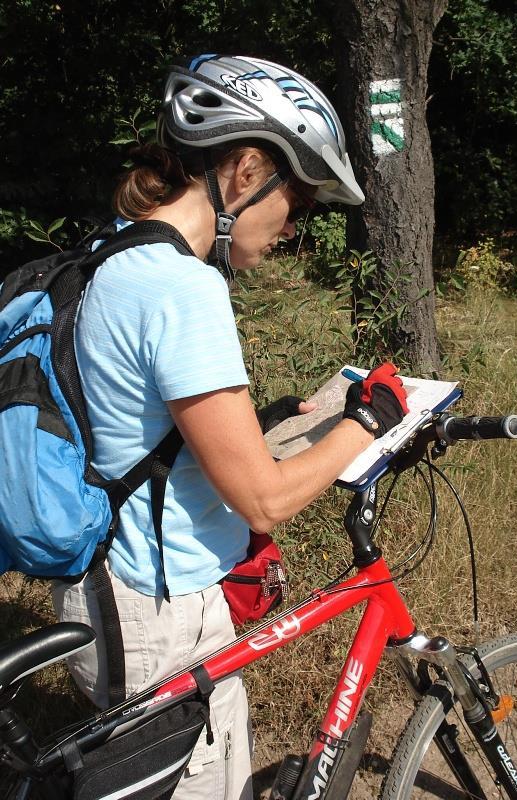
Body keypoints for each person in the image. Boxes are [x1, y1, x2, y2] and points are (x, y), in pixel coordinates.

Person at [51, 54, 408, 799]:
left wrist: (264, 422)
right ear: (246, 171)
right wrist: (372, 420)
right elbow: (264, 502)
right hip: (159, 614)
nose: (293, 230)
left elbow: (136, 424)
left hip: (117, 593)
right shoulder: (185, 286)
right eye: (298, 205)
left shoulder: (114, 252)